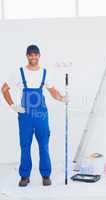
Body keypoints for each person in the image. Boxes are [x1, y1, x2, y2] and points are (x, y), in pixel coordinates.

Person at [1, 45, 66, 187]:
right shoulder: (19, 73)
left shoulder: (44, 73)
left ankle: (46, 175)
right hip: (25, 116)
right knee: (25, 146)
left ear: (39, 56)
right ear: (27, 56)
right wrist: (13, 106)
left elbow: (52, 91)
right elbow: (4, 89)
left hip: (41, 115)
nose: (33, 57)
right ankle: (25, 176)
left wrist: (62, 98)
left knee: (44, 145)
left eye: (35, 54)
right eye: (30, 55)